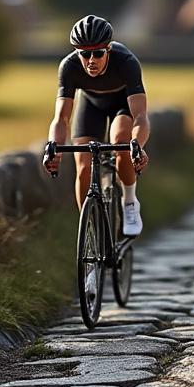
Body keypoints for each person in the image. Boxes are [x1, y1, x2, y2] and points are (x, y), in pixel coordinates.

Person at [44, 14, 149, 236]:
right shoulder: (69, 67)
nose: (91, 60)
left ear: (108, 49)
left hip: (122, 104)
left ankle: (129, 202)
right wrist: (54, 147)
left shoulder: (126, 63)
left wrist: (137, 146)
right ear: (77, 52)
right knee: (82, 166)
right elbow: (61, 118)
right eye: (84, 53)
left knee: (121, 140)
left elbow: (140, 116)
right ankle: (89, 232)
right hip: (91, 105)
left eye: (98, 53)